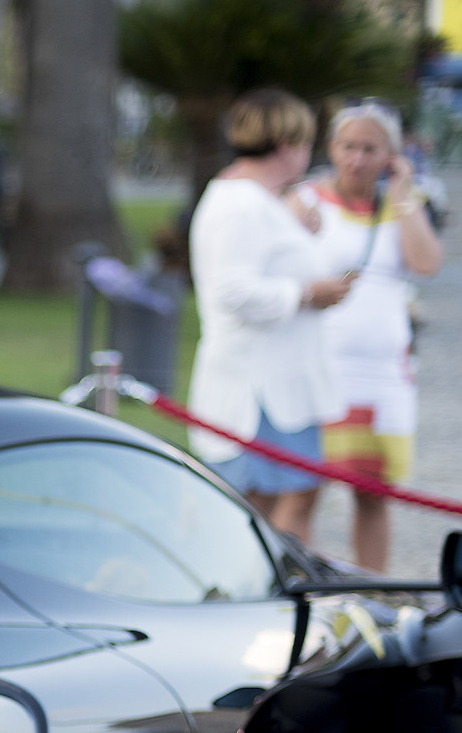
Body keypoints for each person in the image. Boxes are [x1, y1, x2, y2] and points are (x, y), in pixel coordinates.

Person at [185, 88, 352, 545]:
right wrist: (305, 293)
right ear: (283, 145)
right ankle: (269, 596)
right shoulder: (240, 204)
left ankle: (280, 590)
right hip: (258, 387)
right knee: (259, 506)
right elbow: (232, 291)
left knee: (289, 499)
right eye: (302, 143)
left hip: (278, 383)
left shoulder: (258, 200)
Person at [292, 101, 442, 574]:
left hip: (380, 374)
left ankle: (374, 587)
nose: (357, 159)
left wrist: (402, 192)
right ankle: (300, 589)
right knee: (303, 489)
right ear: (331, 149)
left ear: (391, 155)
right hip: (320, 364)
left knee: (373, 494)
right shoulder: (307, 201)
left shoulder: (400, 205)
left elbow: (426, 264)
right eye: (348, 146)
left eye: (370, 149)